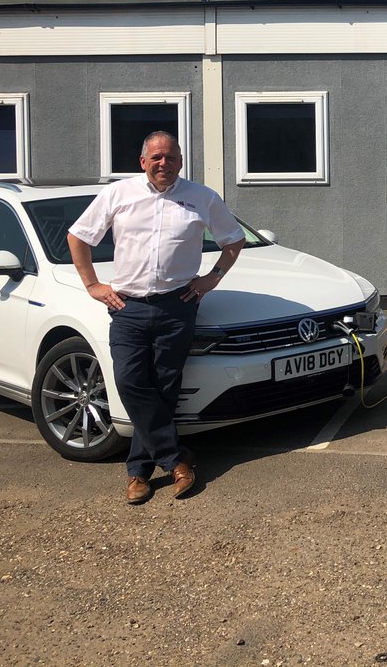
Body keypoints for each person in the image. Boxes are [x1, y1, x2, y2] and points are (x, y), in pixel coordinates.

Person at [68, 131, 245, 504]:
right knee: (129, 380)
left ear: (180, 161)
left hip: (177, 305)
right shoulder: (118, 194)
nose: (164, 163)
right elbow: (78, 237)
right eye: (157, 157)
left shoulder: (202, 197)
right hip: (127, 307)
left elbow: (233, 239)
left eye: (171, 157)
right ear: (143, 162)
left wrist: (212, 278)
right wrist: (92, 285)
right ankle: (176, 458)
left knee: (165, 387)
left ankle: (138, 473)